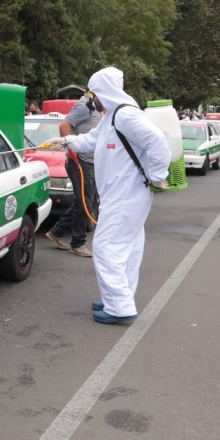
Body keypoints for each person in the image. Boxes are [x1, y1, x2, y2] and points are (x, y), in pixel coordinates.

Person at [46, 67, 171, 324]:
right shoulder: (112, 116)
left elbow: (157, 140)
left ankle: (119, 308)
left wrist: (159, 174)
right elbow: (92, 140)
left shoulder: (125, 115)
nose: (93, 100)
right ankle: (116, 298)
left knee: (106, 247)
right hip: (121, 194)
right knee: (127, 248)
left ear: (104, 91)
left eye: (94, 94)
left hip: (126, 195)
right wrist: (66, 142)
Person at [45, 93, 102, 257]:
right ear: (94, 93)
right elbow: (64, 126)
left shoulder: (96, 108)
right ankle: (78, 243)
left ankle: (57, 232)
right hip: (80, 162)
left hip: (89, 162)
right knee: (85, 201)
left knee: (83, 201)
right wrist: (72, 151)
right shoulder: (84, 107)